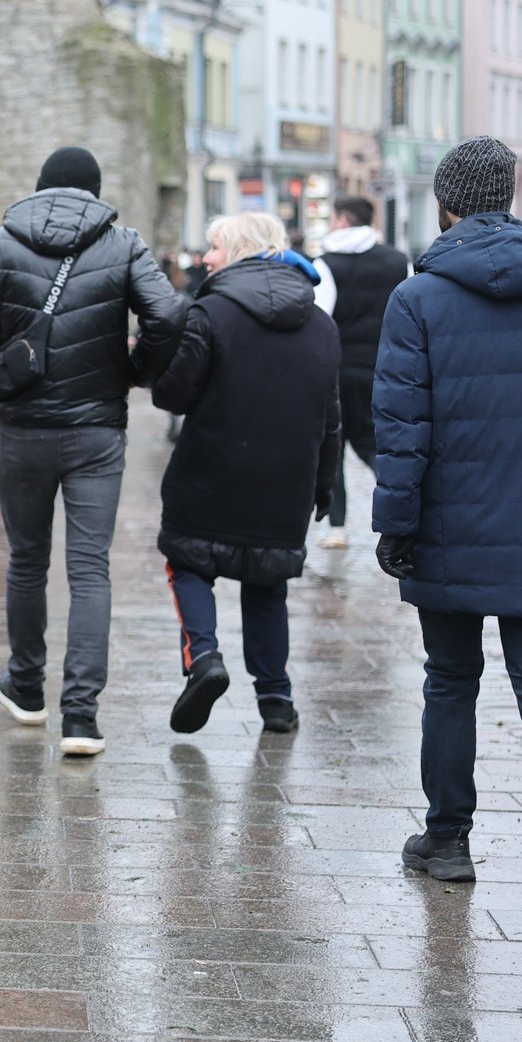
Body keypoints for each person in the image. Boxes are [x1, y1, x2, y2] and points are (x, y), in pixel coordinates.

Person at [0, 146, 183, 757]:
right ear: (95, 191)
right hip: (96, 433)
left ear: (39, 189)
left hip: (22, 431)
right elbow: (167, 314)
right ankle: (80, 717)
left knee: (26, 562)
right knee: (89, 570)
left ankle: (27, 688)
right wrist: (134, 372)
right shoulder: (124, 243)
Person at [374, 137, 522, 910]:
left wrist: (395, 526)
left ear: (445, 202)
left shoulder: (419, 298)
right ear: (510, 195)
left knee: (451, 682)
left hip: (447, 524)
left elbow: (402, 430)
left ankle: (447, 841)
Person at [152, 212, 340, 736]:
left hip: (209, 471)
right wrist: (323, 487)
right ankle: (276, 699)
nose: (205, 258)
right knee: (267, 584)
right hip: (286, 482)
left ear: (237, 252)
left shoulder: (209, 313)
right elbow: (331, 419)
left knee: (187, 562)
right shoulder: (322, 326)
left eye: (214, 248)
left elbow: (173, 394)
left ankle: (205, 658)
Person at [312, 195, 409, 550]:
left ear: (340, 220)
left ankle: (336, 527)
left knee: (332, 447)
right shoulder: (399, 261)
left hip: (336, 371)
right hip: (382, 368)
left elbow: (319, 320)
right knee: (375, 446)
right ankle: (406, 512)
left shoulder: (324, 264)